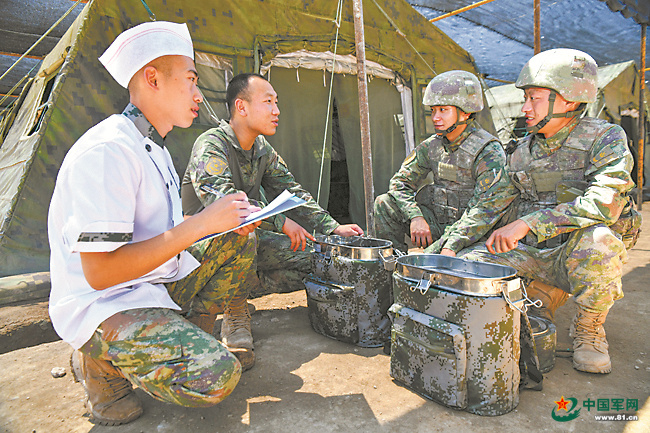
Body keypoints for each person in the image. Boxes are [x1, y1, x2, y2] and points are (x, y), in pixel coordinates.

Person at [48, 22, 262, 426]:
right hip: (105, 303)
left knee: (236, 241)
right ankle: (100, 364)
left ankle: (173, 337)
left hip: (147, 285)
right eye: (191, 80)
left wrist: (217, 225)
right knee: (217, 375)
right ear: (152, 79)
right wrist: (197, 225)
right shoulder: (109, 150)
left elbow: (160, 238)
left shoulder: (153, 147)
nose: (199, 94)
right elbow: (100, 272)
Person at [459, 48, 641, 374]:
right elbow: (488, 206)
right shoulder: (519, 153)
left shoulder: (604, 138)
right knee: (471, 260)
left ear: (570, 101)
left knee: (600, 241)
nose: (525, 108)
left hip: (575, 255)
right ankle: (537, 296)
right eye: (525, 98)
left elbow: (606, 202)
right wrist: (447, 246)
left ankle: (589, 328)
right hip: (536, 257)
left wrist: (528, 223)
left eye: (535, 98)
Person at [181, 73, 364, 346]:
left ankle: (238, 289)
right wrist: (282, 223)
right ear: (241, 107)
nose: (276, 111)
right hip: (199, 249)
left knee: (315, 258)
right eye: (268, 102)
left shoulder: (260, 149)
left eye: (276, 103)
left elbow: (292, 190)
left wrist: (332, 227)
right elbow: (227, 206)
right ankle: (233, 310)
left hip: (246, 245)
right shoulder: (211, 145)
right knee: (242, 234)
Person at [373, 70, 516, 254]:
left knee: (429, 264)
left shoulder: (488, 151)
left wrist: (445, 246)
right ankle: (389, 263)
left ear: (465, 113)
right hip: (439, 224)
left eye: (443, 110)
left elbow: (484, 211)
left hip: (472, 233)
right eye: (433, 110)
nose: (435, 118)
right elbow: (400, 183)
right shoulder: (432, 146)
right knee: (384, 203)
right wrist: (416, 216)